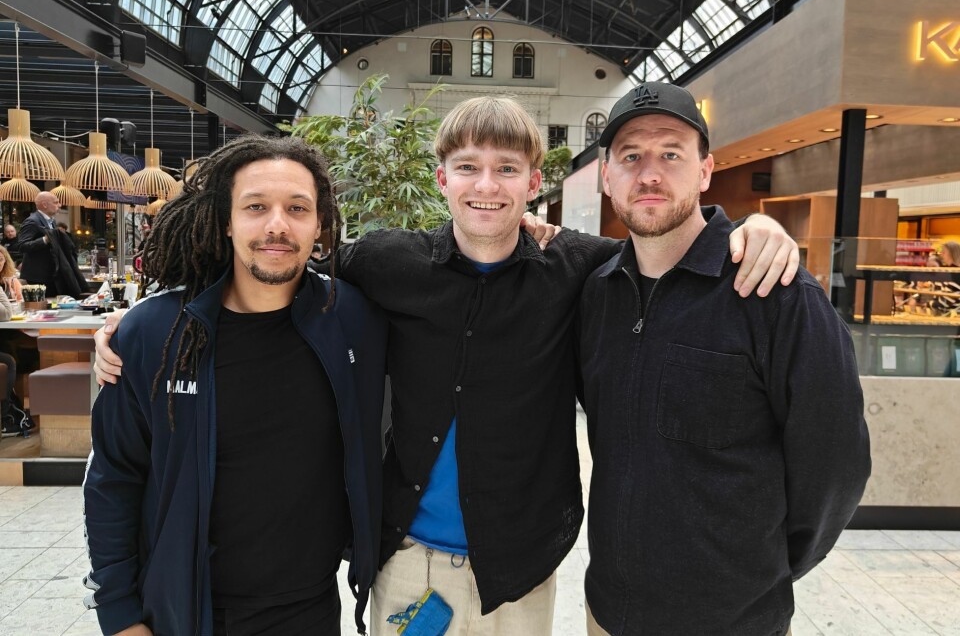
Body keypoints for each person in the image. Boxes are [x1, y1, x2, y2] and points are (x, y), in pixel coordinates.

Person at [95, 97, 800, 635]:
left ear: (535, 181)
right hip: (406, 562)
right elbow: (274, 266)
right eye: (467, 168)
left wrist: (748, 228)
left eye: (506, 170)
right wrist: (149, 315)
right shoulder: (383, 263)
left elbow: (665, 249)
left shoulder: (580, 267)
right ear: (440, 177)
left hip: (520, 567)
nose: (485, 186)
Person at [577, 82, 872, 636]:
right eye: (631, 156)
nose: (649, 174)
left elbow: (834, 463)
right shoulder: (597, 294)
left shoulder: (774, 293)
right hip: (608, 613)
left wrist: (765, 569)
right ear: (607, 175)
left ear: (706, 171)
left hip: (730, 620)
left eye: (671, 154)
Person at [82, 135, 388, 636]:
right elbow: (114, 478)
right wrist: (119, 615)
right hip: (185, 609)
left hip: (309, 606)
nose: (277, 225)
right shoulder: (154, 334)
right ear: (225, 221)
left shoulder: (353, 317)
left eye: (297, 208)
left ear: (320, 225)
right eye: (255, 207)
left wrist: (526, 231)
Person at [18, 191, 88, 298]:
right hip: (38, 275)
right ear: (45, 204)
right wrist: (45, 240)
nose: (59, 205)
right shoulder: (32, 221)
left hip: (51, 274)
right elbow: (22, 246)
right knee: (42, 306)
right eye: (56, 202)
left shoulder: (52, 221)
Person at [0, 248, 30, 438]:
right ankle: (5, 416)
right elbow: (6, 313)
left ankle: (11, 411)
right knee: (9, 360)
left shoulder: (9, 280)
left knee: (14, 351)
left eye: (1, 260)